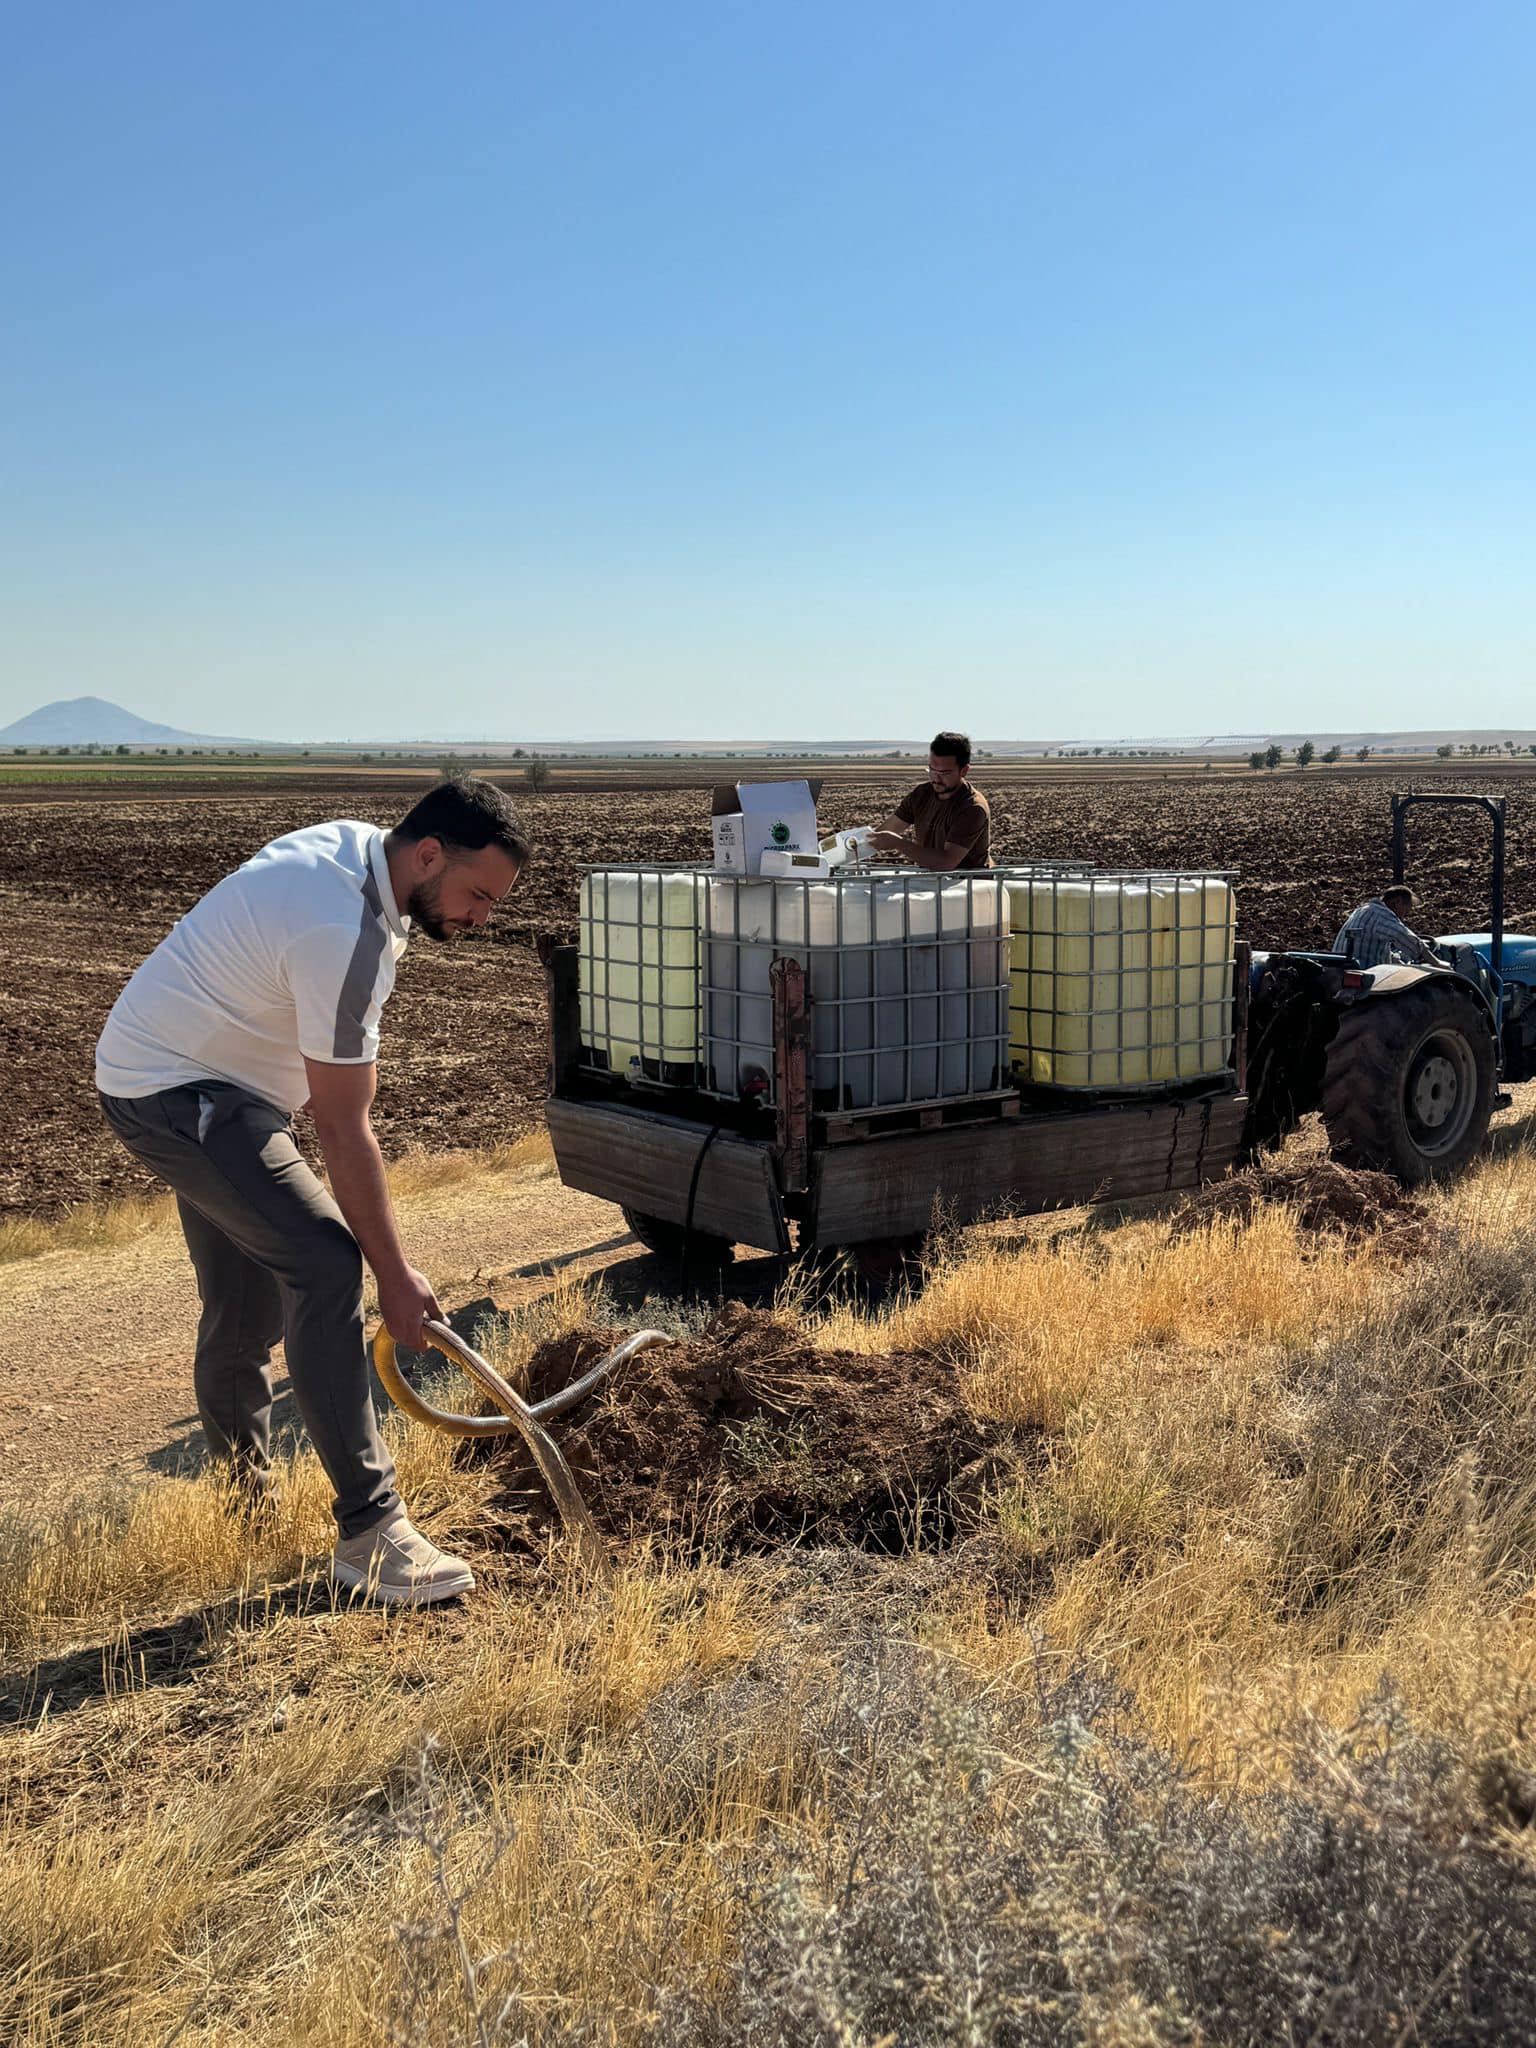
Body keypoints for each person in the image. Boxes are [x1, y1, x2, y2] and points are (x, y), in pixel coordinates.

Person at [95, 777, 530, 1606]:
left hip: (196, 1081)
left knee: (244, 1304)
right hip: (177, 1090)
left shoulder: (357, 852)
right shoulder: (345, 929)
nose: (483, 917)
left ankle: (241, 1507)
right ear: (429, 855)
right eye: (478, 895)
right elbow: (342, 1129)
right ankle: (372, 1531)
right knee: (329, 1266)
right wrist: (396, 1278)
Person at [867, 731, 992, 870]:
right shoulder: (921, 794)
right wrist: (853, 847)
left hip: (969, 886)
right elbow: (885, 830)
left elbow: (946, 862)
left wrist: (899, 843)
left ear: (964, 771)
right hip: (933, 881)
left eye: (944, 773)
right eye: (932, 770)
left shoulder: (972, 807)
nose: (936, 779)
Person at [1333, 884, 1442, 969]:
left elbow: (1382, 952)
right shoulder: (1381, 914)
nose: (1404, 915)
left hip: (1341, 968)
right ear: (1397, 902)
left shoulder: (1363, 910)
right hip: (1363, 971)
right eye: (1406, 909)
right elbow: (1409, 940)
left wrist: (1400, 962)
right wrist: (1437, 963)